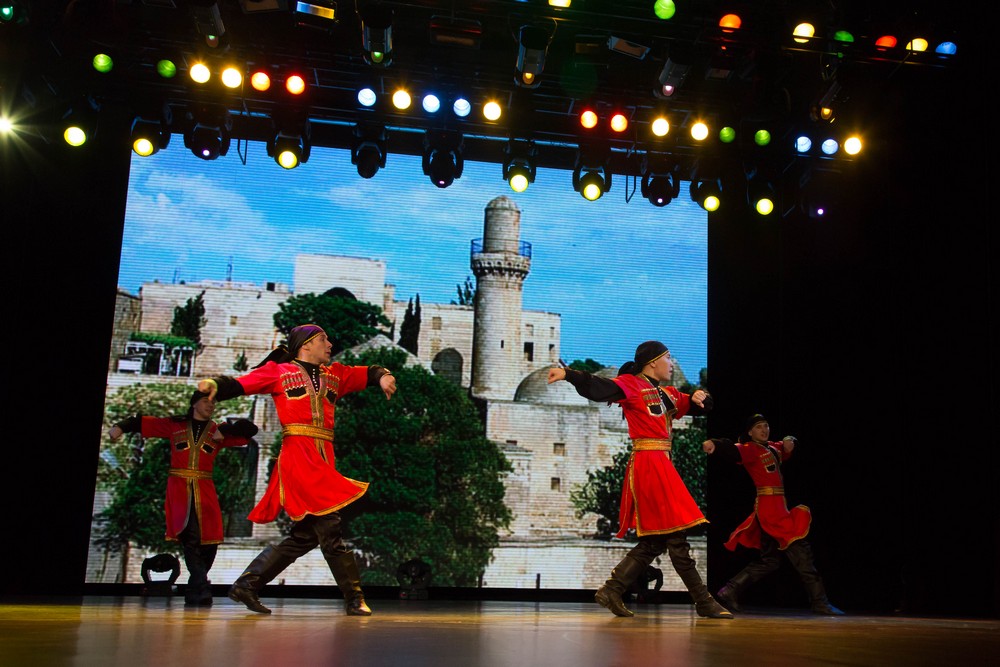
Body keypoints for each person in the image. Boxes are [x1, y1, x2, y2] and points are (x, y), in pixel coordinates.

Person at [197, 323, 397, 616]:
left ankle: (247, 585)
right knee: (331, 527)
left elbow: (368, 372)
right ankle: (354, 597)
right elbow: (242, 384)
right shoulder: (279, 372)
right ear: (306, 344)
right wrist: (215, 385)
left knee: (306, 536)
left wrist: (384, 376)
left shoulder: (334, 375)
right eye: (324, 339)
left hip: (324, 460)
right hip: (299, 458)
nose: (330, 344)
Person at [547, 340, 732, 619]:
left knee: (655, 542)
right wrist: (569, 374)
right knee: (677, 535)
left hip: (662, 465)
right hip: (649, 465)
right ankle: (703, 600)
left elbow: (700, 407)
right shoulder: (632, 384)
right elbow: (600, 386)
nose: (672, 364)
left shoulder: (667, 394)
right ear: (653, 362)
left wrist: (700, 397)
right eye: (668, 358)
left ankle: (612, 590)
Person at [109, 390, 259, 606]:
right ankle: (202, 587)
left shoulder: (216, 430)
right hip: (179, 489)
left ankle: (194, 586)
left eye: (213, 402)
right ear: (194, 404)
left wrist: (225, 429)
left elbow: (251, 430)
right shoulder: (175, 425)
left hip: (205, 490)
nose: (210, 405)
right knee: (191, 538)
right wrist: (119, 427)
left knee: (210, 543)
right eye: (205, 401)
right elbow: (141, 422)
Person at [702, 414, 844, 615]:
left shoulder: (773, 447)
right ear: (750, 432)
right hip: (771, 512)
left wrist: (790, 440)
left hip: (777, 509)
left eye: (766, 426)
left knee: (770, 561)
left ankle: (729, 590)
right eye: (759, 427)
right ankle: (820, 602)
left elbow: (786, 445)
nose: (764, 430)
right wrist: (714, 444)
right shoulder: (750, 449)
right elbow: (732, 449)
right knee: (802, 554)